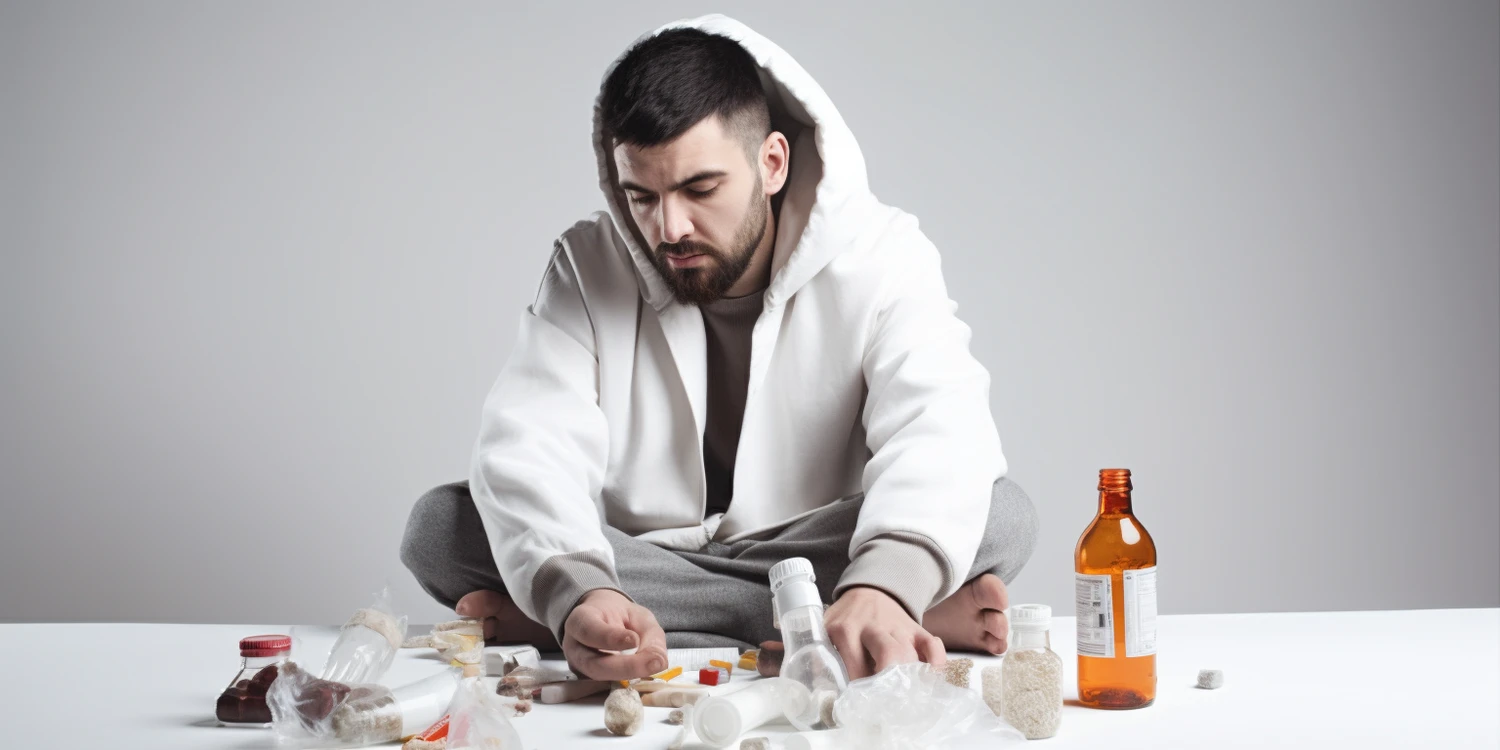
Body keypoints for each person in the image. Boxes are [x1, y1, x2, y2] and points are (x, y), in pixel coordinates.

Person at [401, 14, 1038, 682]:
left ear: (772, 163)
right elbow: (530, 444)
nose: (669, 227)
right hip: (648, 551)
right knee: (441, 529)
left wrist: (883, 579)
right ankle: (841, 619)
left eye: (699, 189)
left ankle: (831, 605)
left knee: (1002, 513)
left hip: (814, 539)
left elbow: (941, 425)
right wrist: (585, 590)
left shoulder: (883, 253)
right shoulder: (588, 264)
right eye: (641, 196)